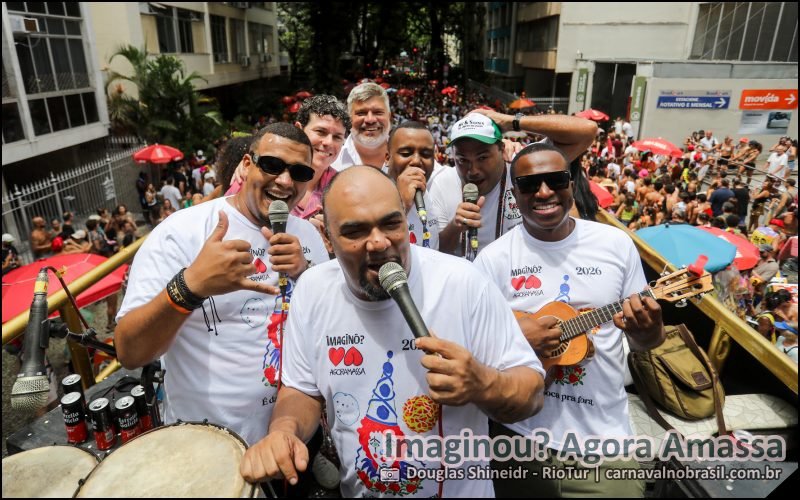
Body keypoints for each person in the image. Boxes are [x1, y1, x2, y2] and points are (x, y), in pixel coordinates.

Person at [239, 166, 545, 496]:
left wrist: (483, 383)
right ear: (327, 238)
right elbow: (302, 390)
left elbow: (531, 392)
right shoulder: (313, 290)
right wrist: (285, 430)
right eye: (355, 231)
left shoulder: (463, 282)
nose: (379, 242)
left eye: (391, 223)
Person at [115, 123, 330, 447]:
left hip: (295, 435)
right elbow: (130, 352)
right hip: (208, 447)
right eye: (272, 165)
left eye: (299, 172)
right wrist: (191, 287)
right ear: (246, 164)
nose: (285, 181)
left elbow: (329, 323)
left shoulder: (309, 235)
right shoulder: (182, 232)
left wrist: (307, 272)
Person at [474, 142, 666, 497]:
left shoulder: (615, 245)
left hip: (603, 445)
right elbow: (475, 344)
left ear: (571, 184)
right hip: (519, 440)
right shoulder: (492, 260)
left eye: (555, 180)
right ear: (515, 193)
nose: (544, 192)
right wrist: (518, 338)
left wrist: (650, 332)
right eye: (530, 184)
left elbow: (644, 342)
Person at [428, 109, 596, 258]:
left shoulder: (523, 168)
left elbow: (587, 130)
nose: (473, 170)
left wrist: (511, 121)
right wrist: (455, 227)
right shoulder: (442, 183)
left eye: (482, 158)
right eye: (462, 160)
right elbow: (435, 253)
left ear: (501, 149)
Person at [385, 121, 441, 249]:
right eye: (406, 154)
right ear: (387, 158)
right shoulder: (370, 193)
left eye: (426, 155)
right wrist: (402, 204)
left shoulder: (435, 191)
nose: (416, 161)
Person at [332, 82, 392, 170]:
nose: (370, 120)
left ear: (389, 116)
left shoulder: (409, 161)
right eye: (361, 113)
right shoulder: (330, 161)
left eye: (378, 112)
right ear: (349, 118)